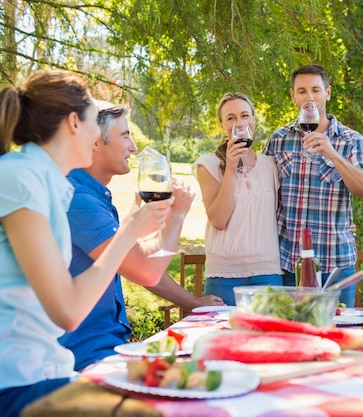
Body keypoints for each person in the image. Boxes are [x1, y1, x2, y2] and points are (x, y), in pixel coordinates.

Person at [0, 70, 170, 417]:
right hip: (19, 383)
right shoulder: (18, 178)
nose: (98, 134)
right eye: (95, 121)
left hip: (50, 372)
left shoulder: (47, 183)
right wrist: (128, 234)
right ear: (74, 123)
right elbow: (68, 311)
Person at [58, 101, 224, 371]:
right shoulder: (78, 199)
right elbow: (146, 271)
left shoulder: (94, 196)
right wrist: (177, 216)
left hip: (106, 345)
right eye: (125, 135)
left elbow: (133, 260)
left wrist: (193, 303)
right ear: (96, 142)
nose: (133, 147)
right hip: (82, 356)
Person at [263, 64, 363, 306]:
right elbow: (260, 192)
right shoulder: (278, 139)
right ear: (293, 96)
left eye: (315, 90)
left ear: (328, 92)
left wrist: (332, 154)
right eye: (302, 91)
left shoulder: (352, 141)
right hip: (287, 264)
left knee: (332, 336)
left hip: (334, 264)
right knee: (290, 337)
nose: (309, 97)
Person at [193, 92, 283, 306]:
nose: (239, 123)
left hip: (268, 274)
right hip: (223, 277)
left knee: (269, 339)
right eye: (231, 118)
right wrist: (231, 168)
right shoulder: (208, 164)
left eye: (245, 115)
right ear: (222, 125)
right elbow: (219, 220)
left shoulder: (270, 164)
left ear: (253, 120)